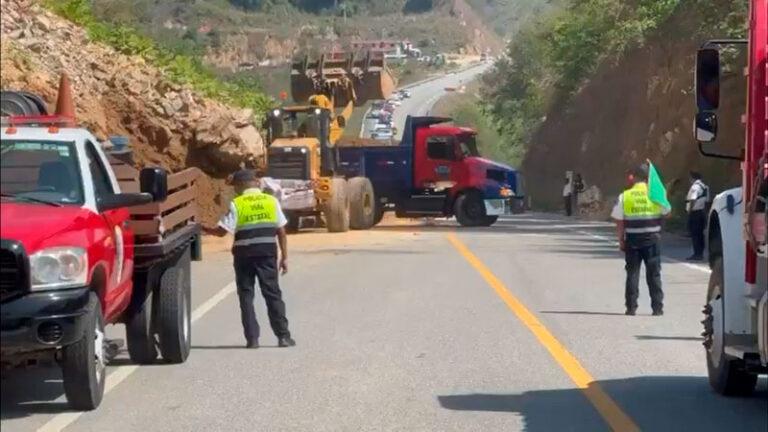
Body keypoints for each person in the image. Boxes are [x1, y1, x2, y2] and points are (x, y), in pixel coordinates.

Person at [205, 169, 295, 348]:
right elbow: (281, 231)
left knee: (246, 296)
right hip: (267, 254)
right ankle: (283, 337)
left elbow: (222, 231)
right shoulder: (271, 201)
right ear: (255, 183)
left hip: (244, 256)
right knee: (272, 294)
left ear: (240, 186)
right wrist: (284, 257)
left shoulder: (237, 204)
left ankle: (252, 339)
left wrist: (202, 227)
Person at [611, 164, 671, 316]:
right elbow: (668, 212)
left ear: (635, 177)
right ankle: (657, 308)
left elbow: (618, 220)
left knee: (632, 273)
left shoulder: (625, 196)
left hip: (632, 239)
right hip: (652, 240)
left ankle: (631, 307)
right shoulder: (655, 195)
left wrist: (621, 240)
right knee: (654, 274)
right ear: (647, 179)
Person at [685, 171, 709, 261]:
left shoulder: (695, 187)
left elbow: (693, 199)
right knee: (700, 234)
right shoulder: (705, 187)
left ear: (692, 178)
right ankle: (700, 253)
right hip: (701, 212)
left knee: (695, 234)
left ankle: (697, 254)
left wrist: (690, 211)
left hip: (695, 213)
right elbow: (707, 201)